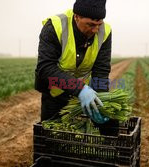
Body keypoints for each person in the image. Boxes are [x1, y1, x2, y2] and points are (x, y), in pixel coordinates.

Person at [35, 0, 119, 136]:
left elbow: (101, 71)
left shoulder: (105, 31)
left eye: (99, 24)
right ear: (77, 16)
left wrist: (102, 103)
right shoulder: (55, 27)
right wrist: (79, 89)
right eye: (90, 25)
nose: (95, 30)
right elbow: (45, 68)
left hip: (85, 94)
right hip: (54, 92)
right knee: (52, 137)